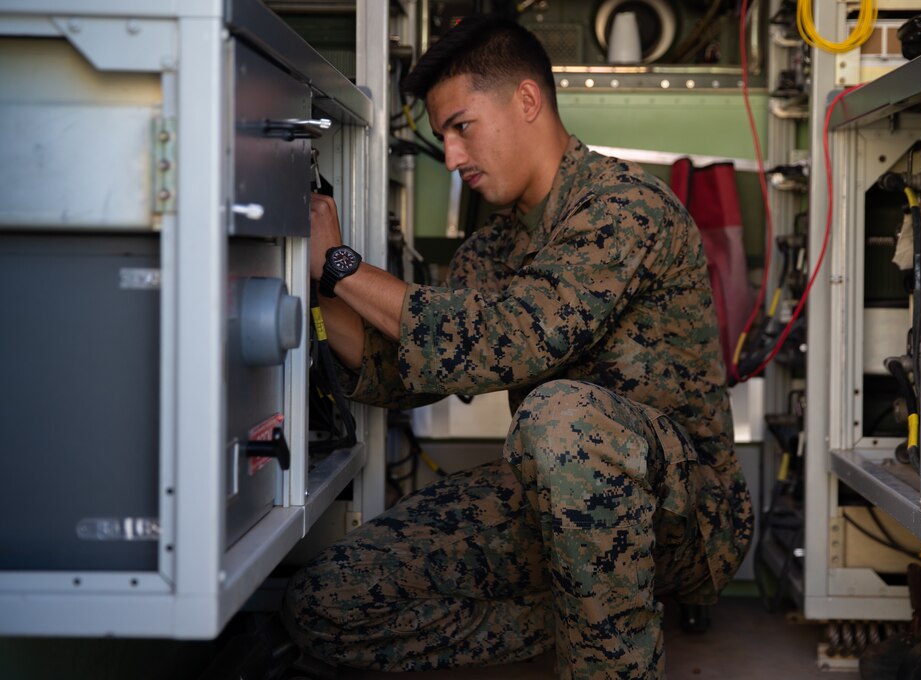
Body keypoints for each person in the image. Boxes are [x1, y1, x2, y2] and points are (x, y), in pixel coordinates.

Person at [282, 14, 752, 679]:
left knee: (561, 415)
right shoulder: (497, 245)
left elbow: (507, 338)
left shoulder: (622, 209)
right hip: (556, 500)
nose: (451, 157)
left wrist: (344, 266)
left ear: (527, 101)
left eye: (461, 127)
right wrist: (325, 291)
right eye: (442, 136)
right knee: (328, 604)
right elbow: (409, 370)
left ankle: (611, 660)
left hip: (685, 516)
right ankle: (586, 615)